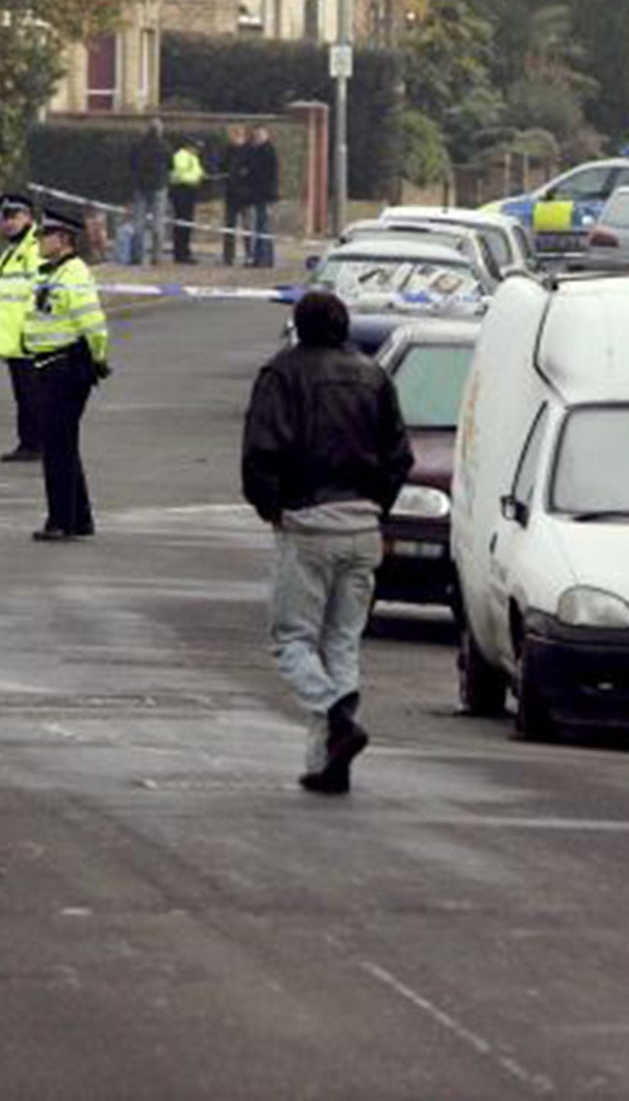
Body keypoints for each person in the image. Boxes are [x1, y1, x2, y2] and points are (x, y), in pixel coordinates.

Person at [240, 289, 414, 795]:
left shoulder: (282, 374)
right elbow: (399, 455)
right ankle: (328, 763)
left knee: (291, 638)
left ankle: (334, 718)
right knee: (341, 639)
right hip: (363, 526)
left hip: (307, 522)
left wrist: (273, 507)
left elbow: (260, 450)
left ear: (298, 325)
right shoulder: (373, 375)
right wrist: (378, 503)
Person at [25, 208, 109, 542]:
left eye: (45, 236)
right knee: (64, 444)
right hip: (50, 364)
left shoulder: (73, 274)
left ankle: (60, 520)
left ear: (63, 240)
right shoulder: (53, 272)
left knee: (58, 447)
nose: (39, 242)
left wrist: (98, 357)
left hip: (65, 366)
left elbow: (92, 320)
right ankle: (78, 518)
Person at [0, 193, 45, 463]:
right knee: (24, 395)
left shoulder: (32, 251)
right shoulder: (12, 252)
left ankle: (35, 445)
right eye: (5, 217)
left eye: (14, 217)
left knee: (32, 396)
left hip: (28, 339)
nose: (8, 223)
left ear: (29, 218)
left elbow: (41, 294)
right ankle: (28, 442)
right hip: (15, 341)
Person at [127, 117, 168, 266]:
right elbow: (170, 164)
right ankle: (156, 257)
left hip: (140, 186)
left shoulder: (137, 145)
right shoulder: (164, 146)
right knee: (158, 223)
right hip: (158, 186)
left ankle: (138, 256)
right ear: (160, 131)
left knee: (138, 223)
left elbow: (131, 163)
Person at [245, 125, 279, 269]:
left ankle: (264, 259)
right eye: (255, 136)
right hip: (259, 195)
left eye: (259, 136)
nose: (256, 138)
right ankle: (262, 258)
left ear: (266, 136)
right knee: (260, 227)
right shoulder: (258, 151)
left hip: (264, 195)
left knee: (263, 227)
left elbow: (265, 174)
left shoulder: (267, 152)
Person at [168, 137, 205, 265]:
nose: (198, 150)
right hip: (181, 191)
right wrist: (195, 177)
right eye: (196, 147)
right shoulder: (181, 156)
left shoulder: (193, 157)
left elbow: (197, 170)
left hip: (190, 191)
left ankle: (185, 251)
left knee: (188, 223)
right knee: (182, 222)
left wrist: (199, 175)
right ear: (189, 146)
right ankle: (180, 253)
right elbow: (179, 174)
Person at [220, 123, 252, 266]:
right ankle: (228, 257)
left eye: (236, 135)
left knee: (248, 226)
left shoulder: (249, 151)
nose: (233, 138)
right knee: (229, 227)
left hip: (245, 195)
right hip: (231, 195)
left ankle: (249, 255)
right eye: (232, 135)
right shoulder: (228, 150)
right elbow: (222, 166)